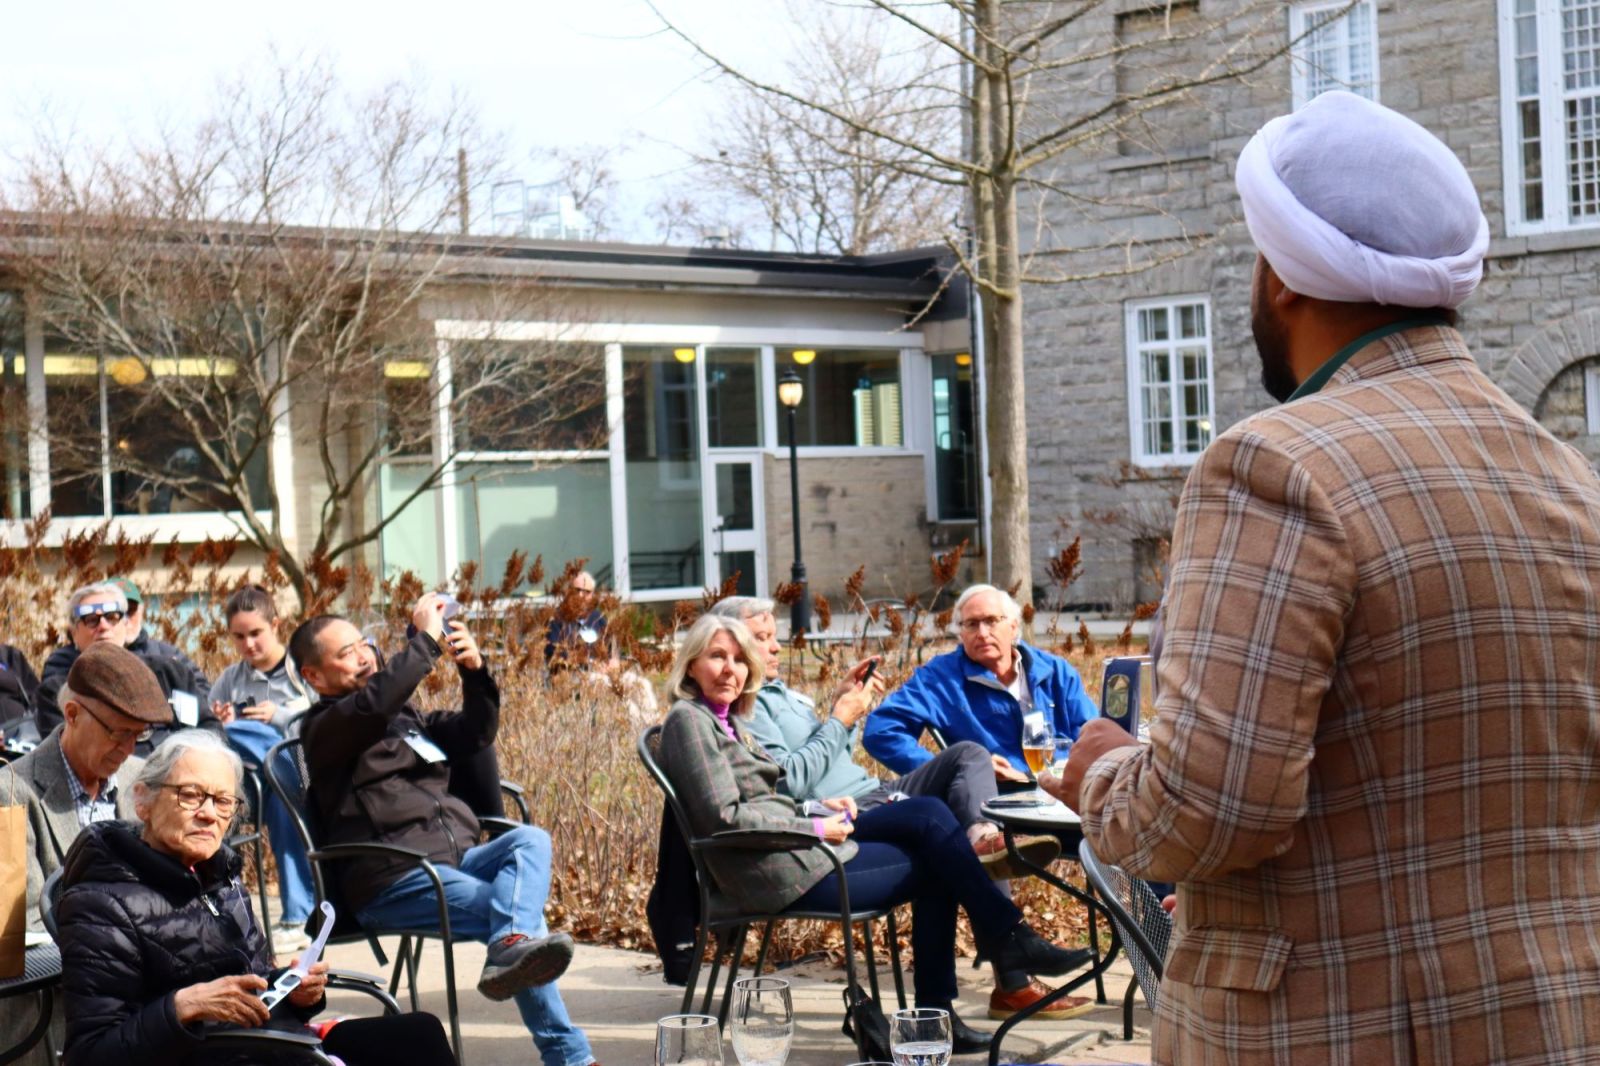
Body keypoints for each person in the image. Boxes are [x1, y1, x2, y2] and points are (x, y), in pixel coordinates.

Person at [1052, 91, 1600, 1064]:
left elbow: (1206, 811)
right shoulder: (1565, 477)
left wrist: (1098, 770)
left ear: (1281, 279)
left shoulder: (1274, 462)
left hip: (1339, 1030)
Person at [657, 613, 1094, 1056]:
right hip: (775, 870)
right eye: (717, 657)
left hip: (795, 850)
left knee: (935, 831)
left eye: (738, 659)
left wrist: (815, 807)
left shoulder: (726, 720)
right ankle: (979, 970)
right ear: (691, 665)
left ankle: (970, 980)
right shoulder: (688, 722)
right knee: (935, 843)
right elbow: (726, 818)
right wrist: (812, 826)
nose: (731, 668)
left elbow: (764, 799)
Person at [293, 594, 599, 1066]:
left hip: (451, 859)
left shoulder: (404, 717)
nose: (363, 656)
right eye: (345, 653)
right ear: (313, 676)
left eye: (363, 645)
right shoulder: (328, 727)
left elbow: (474, 733)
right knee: (520, 925)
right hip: (393, 875)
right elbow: (374, 706)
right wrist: (427, 642)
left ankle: (512, 946)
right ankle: (570, 1055)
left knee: (529, 839)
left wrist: (474, 672)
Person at [54, 728, 455, 1065]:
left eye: (223, 801)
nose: (209, 814)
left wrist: (294, 990)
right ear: (142, 799)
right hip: (203, 1055)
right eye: (190, 795)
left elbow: (258, 987)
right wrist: (181, 1007)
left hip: (263, 1043)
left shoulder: (219, 877)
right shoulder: (101, 903)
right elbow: (90, 1054)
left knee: (420, 1034)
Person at [0, 643, 160, 1066]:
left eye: (138, 734)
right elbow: (21, 929)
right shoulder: (10, 791)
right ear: (72, 715)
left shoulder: (139, 779)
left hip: (145, 998)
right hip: (54, 1008)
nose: (128, 748)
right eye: (117, 732)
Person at [862, 584, 1097, 780]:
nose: (982, 633)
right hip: (994, 803)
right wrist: (952, 771)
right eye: (972, 624)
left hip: (1066, 795)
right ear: (961, 633)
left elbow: (1093, 736)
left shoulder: (1056, 672)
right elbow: (881, 730)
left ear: (1013, 626)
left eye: (991, 621)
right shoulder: (940, 679)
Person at [208, 584, 317, 952]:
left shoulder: (302, 670)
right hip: (252, 784)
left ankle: (298, 916)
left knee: (281, 769)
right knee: (229, 734)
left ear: (276, 625)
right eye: (238, 637)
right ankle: (298, 917)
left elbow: (325, 724)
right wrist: (222, 723)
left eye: (256, 633)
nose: (248, 645)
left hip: (299, 772)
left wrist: (281, 717)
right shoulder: (230, 679)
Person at [35, 582, 220, 749]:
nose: (103, 626)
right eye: (91, 619)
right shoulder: (59, 692)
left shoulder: (169, 675)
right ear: (74, 633)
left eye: (112, 616)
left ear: (125, 625)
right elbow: (64, 755)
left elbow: (210, 733)